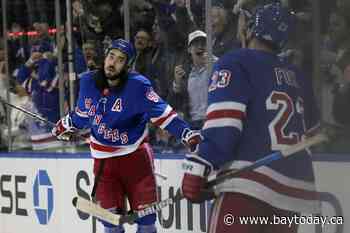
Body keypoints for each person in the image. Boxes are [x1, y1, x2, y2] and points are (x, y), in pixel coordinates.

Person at [181, 3, 321, 233]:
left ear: (251, 29)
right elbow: (313, 132)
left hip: (248, 186)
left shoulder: (235, 62)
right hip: (294, 195)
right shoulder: (298, 76)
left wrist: (198, 167)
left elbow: (223, 126)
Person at [51, 39, 200, 233]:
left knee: (146, 225)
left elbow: (165, 115)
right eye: (111, 56)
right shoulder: (88, 81)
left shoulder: (138, 87)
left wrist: (187, 134)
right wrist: (64, 125)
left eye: (120, 60)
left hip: (135, 161)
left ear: (127, 65)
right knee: (111, 226)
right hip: (104, 166)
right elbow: (82, 115)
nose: (113, 63)